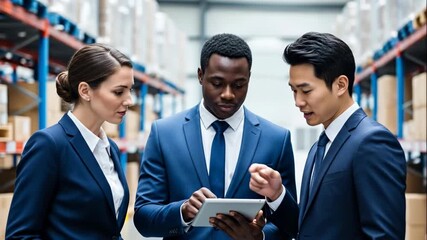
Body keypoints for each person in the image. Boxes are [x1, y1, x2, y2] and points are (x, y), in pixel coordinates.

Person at [133, 33, 298, 240]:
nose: (228, 94)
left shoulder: (276, 140)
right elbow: (143, 218)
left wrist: (259, 236)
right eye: (217, 83)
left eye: (238, 85)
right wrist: (182, 211)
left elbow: (292, 224)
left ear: (248, 79)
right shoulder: (164, 134)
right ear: (201, 75)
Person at [249, 32, 406, 239]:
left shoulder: (372, 142)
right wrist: (277, 195)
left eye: (306, 90)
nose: (298, 101)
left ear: (340, 85)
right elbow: (309, 228)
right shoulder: (319, 147)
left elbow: (384, 236)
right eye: (294, 91)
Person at [6, 43, 133, 239]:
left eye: (130, 90)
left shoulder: (111, 149)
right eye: (119, 92)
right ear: (85, 91)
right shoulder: (49, 145)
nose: (129, 100)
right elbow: (20, 235)